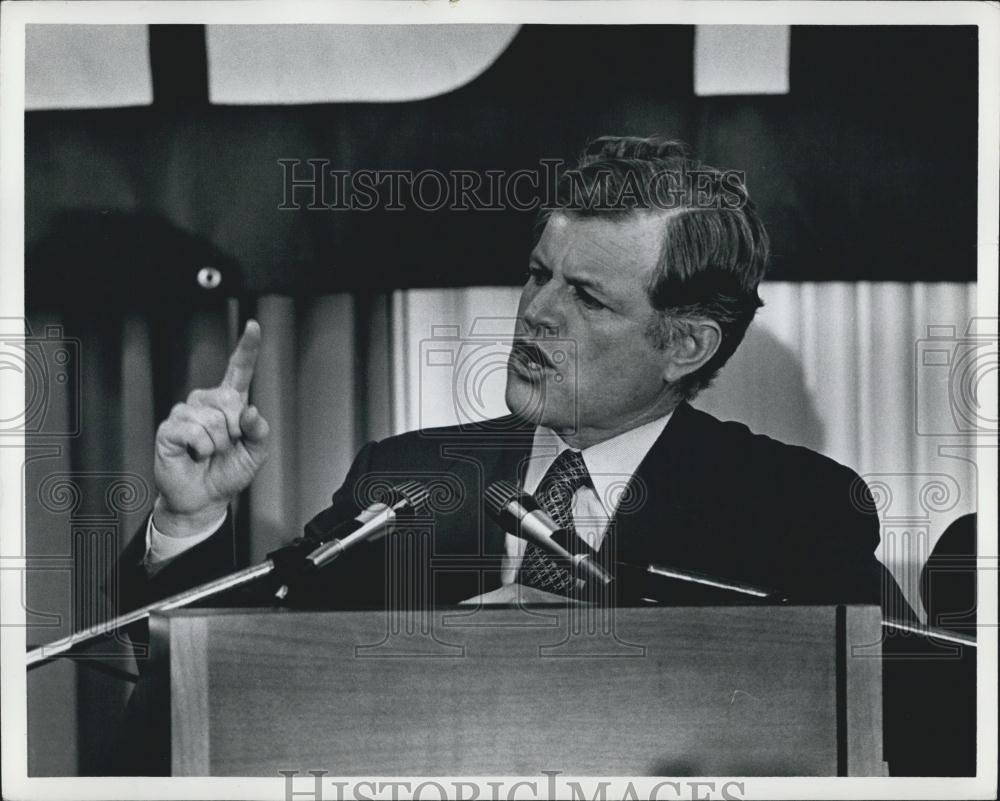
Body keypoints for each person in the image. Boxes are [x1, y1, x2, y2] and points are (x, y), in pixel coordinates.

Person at [116, 135, 904, 616]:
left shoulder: (793, 510)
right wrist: (188, 521)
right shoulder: (408, 482)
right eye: (538, 274)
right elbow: (227, 670)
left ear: (685, 346)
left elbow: (913, 726)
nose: (536, 312)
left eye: (588, 296)